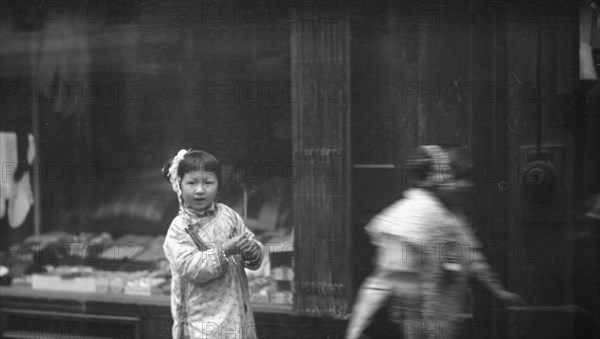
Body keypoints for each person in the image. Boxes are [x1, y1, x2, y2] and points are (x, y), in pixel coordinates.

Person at [346, 145, 523, 339]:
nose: (465, 185)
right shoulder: (411, 214)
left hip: (434, 318)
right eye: (455, 178)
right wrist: (413, 322)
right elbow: (398, 275)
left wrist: (498, 292)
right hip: (407, 318)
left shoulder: (450, 217)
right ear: (439, 179)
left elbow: (471, 260)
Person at [162, 149, 264, 339]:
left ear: (218, 186)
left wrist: (252, 250)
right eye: (192, 183)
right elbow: (189, 267)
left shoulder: (229, 215)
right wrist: (225, 250)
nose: (200, 189)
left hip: (235, 309)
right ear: (179, 185)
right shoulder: (179, 228)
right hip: (201, 316)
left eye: (208, 182)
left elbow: (248, 241)